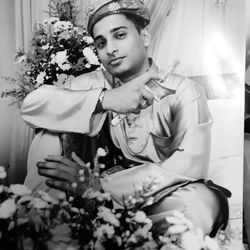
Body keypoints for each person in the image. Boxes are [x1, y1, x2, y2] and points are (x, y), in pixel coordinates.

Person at [21, 0, 230, 236]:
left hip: (154, 200)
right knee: (49, 124)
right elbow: (31, 106)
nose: (110, 48)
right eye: (101, 43)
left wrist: (99, 186)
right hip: (89, 201)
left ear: (146, 37)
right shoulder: (88, 83)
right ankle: (39, 221)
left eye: (119, 35)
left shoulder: (182, 90)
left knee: (202, 202)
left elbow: (191, 165)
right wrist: (106, 100)